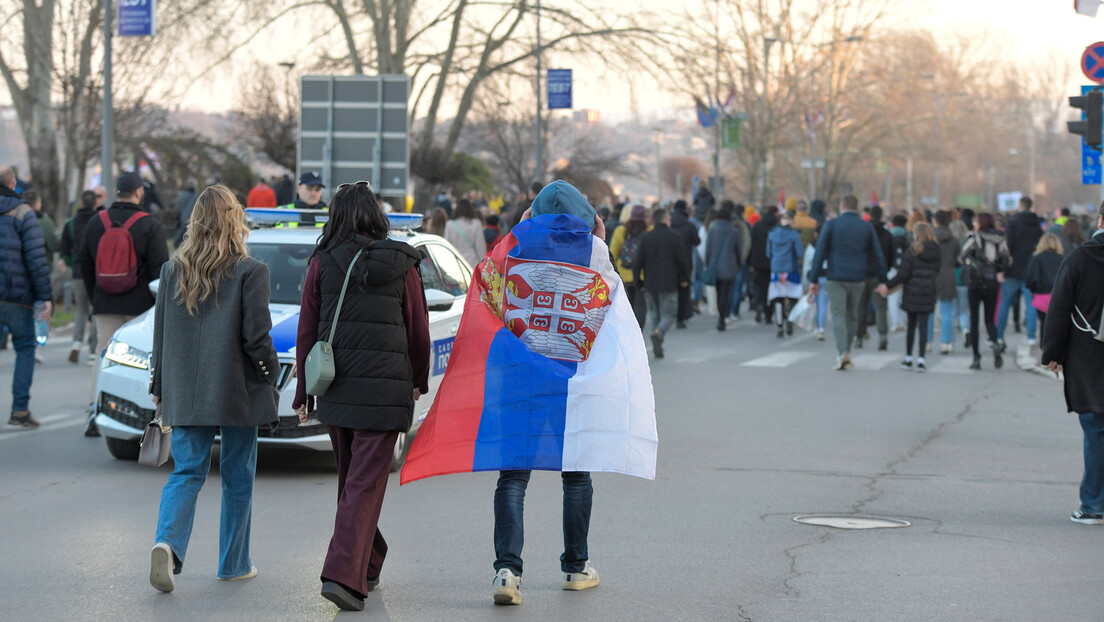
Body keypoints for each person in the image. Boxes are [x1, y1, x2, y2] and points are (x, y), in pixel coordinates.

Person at [292, 181, 430, 611]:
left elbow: (307, 332)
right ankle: (342, 576)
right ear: (376, 215)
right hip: (386, 392)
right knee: (362, 486)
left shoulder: (322, 263)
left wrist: (304, 393)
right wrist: (418, 379)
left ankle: (367, 563)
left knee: (353, 484)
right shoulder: (403, 263)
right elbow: (418, 328)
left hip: (337, 391)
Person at [147, 184, 279, 592]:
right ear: (233, 220)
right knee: (238, 474)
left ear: (196, 221)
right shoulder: (250, 271)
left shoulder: (172, 270)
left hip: (184, 389)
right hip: (236, 389)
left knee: (186, 472)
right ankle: (234, 563)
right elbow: (256, 338)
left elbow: (161, 335)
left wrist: (159, 384)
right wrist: (269, 374)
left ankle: (167, 545)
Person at [76, 172, 170, 414]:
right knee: (140, 358)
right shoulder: (150, 223)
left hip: (104, 302)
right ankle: (137, 411)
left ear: (116, 191)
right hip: (140, 305)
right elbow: (161, 270)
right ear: (139, 192)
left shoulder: (97, 221)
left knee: (102, 353)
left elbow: (84, 263)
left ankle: (94, 408)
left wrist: (96, 293)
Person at [1040, 208, 1104, 525]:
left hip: (1088, 356)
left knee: (1095, 429)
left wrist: (1052, 352)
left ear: (1101, 221)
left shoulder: (1079, 259)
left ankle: (1093, 505)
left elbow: (1060, 306)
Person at [808, 195, 888, 371]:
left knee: (838, 314)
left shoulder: (832, 225)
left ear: (842, 206)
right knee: (852, 314)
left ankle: (841, 352)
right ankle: (848, 351)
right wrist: (883, 280)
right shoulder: (865, 226)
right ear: (856, 207)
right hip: (859, 277)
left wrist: (813, 279)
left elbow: (819, 252)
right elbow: (877, 254)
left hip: (836, 276)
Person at [0, 165, 52, 428]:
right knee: (24, 348)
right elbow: (36, 260)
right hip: (15, 297)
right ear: (13, 185)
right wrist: (45, 297)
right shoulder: (24, 213)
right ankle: (19, 410)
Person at [633, 208, 690, 358]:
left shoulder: (646, 238)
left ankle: (656, 337)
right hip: (669, 283)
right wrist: (685, 278)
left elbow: (637, 262)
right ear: (665, 220)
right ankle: (658, 334)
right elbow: (683, 261)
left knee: (655, 316)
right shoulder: (673, 237)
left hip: (650, 283)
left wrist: (639, 281)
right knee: (668, 315)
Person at [886, 223, 941, 371]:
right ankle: (922, 359)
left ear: (916, 235)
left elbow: (903, 274)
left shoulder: (911, 251)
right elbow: (938, 270)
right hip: (928, 291)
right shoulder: (936, 251)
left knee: (911, 326)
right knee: (924, 326)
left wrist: (888, 285)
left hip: (912, 292)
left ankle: (909, 358)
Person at [961, 212, 1012, 370]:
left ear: (980, 222)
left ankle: (976, 358)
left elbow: (962, 255)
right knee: (990, 320)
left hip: (975, 282)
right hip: (992, 282)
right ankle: (995, 344)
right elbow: (1007, 259)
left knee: (974, 320)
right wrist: (998, 268)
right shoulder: (1000, 238)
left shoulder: (973, 237)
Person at [59, 190, 101, 367]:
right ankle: (93, 351)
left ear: (81, 203)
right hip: (96, 271)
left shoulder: (70, 224)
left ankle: (76, 342)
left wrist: (70, 262)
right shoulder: (99, 221)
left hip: (78, 272)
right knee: (95, 310)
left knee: (81, 310)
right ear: (95, 204)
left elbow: (64, 249)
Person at [997, 196, 1043, 347]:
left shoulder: (1012, 222)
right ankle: (1030, 336)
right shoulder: (1037, 223)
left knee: (1005, 302)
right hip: (1030, 268)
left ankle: (998, 335)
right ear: (1031, 206)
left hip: (1013, 268)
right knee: (1031, 304)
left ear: (1020, 205)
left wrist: (1003, 267)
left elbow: (1007, 246)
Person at [857, 205, 894, 350]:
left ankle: (859, 336)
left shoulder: (862, 233)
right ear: (881, 216)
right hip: (879, 275)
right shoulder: (887, 235)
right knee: (880, 308)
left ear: (869, 216)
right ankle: (883, 335)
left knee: (861, 307)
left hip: (862, 274)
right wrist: (885, 272)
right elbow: (891, 257)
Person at [766, 211, 803, 338]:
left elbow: (768, 253)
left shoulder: (772, 234)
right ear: (792, 221)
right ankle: (791, 321)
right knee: (793, 296)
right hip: (791, 269)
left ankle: (779, 325)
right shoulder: (794, 235)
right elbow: (799, 253)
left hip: (776, 270)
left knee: (777, 297)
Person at [611, 205, 649, 328]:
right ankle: (639, 333)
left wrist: (615, 274)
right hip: (643, 277)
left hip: (624, 276)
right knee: (640, 307)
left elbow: (612, 254)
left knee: (627, 308)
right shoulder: (649, 231)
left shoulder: (620, 230)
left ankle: (627, 332)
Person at [704, 204, 740, 331]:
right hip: (730, 266)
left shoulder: (713, 230)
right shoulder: (734, 231)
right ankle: (725, 316)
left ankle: (720, 317)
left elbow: (708, 249)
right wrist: (739, 264)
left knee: (719, 293)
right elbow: (738, 250)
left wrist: (708, 264)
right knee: (727, 292)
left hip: (715, 265)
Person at [1024, 233, 1065, 345]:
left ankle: (1044, 349)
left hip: (1041, 295)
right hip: (1058, 295)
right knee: (1057, 325)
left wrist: (1033, 290)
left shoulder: (1037, 258)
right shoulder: (1062, 259)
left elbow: (1030, 278)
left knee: (1044, 324)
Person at [932, 210, 961, 355]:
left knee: (929, 311)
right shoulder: (954, 240)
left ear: (935, 221)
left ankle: (927, 342)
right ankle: (946, 343)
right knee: (947, 311)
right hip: (948, 275)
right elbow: (958, 260)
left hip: (931, 275)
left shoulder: (930, 238)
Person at [669, 200, 700, 327]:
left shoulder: (668, 223)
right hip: (686, 261)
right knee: (683, 289)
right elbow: (697, 241)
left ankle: (668, 316)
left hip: (669, 261)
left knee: (670, 290)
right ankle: (681, 318)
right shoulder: (689, 224)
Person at [748, 207, 778, 322]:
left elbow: (751, 244)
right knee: (771, 288)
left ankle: (758, 303)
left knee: (759, 286)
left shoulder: (757, 226)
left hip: (758, 262)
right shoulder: (776, 227)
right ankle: (768, 314)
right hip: (773, 262)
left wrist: (750, 262)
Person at [444, 198, 486, 267]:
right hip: (472, 262)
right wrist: (482, 264)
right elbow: (480, 247)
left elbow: (447, 245)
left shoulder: (449, 224)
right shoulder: (476, 224)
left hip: (455, 262)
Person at [173, 179, 199, 247]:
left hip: (182, 216)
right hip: (190, 217)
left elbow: (178, 206)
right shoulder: (195, 195)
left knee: (182, 232)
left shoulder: (181, 194)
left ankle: (177, 244)